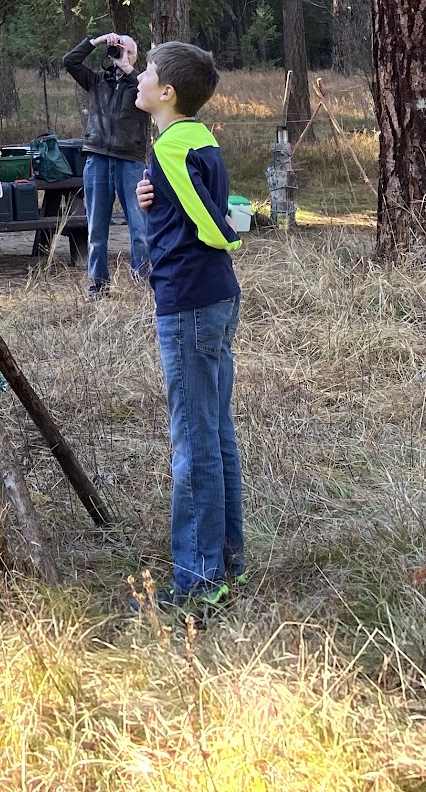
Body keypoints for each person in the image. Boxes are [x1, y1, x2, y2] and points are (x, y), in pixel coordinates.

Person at [133, 41, 244, 614]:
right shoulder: (194, 137)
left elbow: (208, 216)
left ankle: (199, 580)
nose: (140, 78)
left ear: (167, 92)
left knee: (193, 440)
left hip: (190, 303)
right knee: (215, 430)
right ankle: (227, 562)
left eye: (148, 73)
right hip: (216, 299)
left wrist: (223, 233)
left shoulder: (172, 147)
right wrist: (153, 199)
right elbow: (185, 199)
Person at [62, 31, 154, 296]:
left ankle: (141, 283)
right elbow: (70, 62)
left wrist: (128, 69)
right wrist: (96, 41)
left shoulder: (141, 85)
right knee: (96, 229)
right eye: (116, 49)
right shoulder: (97, 81)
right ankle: (98, 286)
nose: (118, 52)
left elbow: (153, 97)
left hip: (130, 161)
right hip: (98, 158)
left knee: (139, 229)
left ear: (135, 56)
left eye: (125, 49)